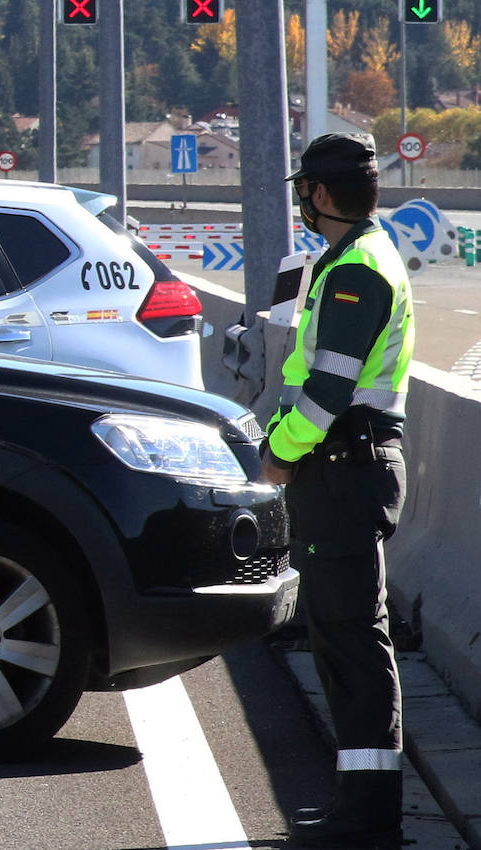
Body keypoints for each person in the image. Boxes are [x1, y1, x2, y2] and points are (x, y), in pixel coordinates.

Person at [261, 133, 414, 849]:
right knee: (345, 635)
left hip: (341, 467)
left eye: (304, 192)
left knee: (351, 638)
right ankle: (363, 802)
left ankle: (369, 814)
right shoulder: (356, 259)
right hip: (347, 469)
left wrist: (279, 451)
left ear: (320, 195)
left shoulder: (355, 270)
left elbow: (326, 390)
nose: (303, 203)